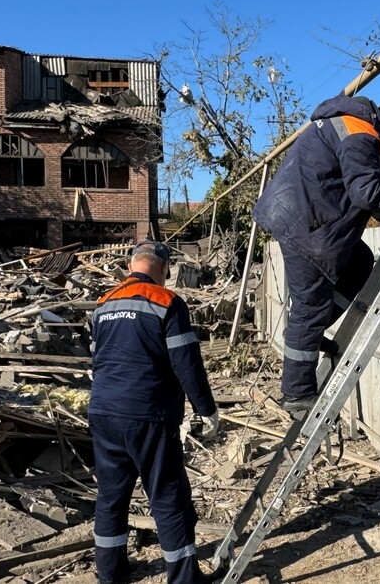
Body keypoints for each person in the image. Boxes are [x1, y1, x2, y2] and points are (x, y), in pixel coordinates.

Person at [252, 94, 380, 413]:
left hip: (304, 216)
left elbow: (347, 185)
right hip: (309, 228)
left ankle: (310, 333)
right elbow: (366, 192)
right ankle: (297, 394)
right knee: (309, 306)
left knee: (359, 262)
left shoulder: (348, 124)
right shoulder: (361, 134)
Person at [88, 239, 219, 584]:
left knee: (111, 497)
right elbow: (186, 363)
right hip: (147, 414)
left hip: (103, 412)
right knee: (166, 495)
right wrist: (206, 410)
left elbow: (97, 360)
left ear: (132, 266)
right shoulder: (166, 301)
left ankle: (110, 574)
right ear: (163, 269)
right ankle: (183, 579)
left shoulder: (103, 304)